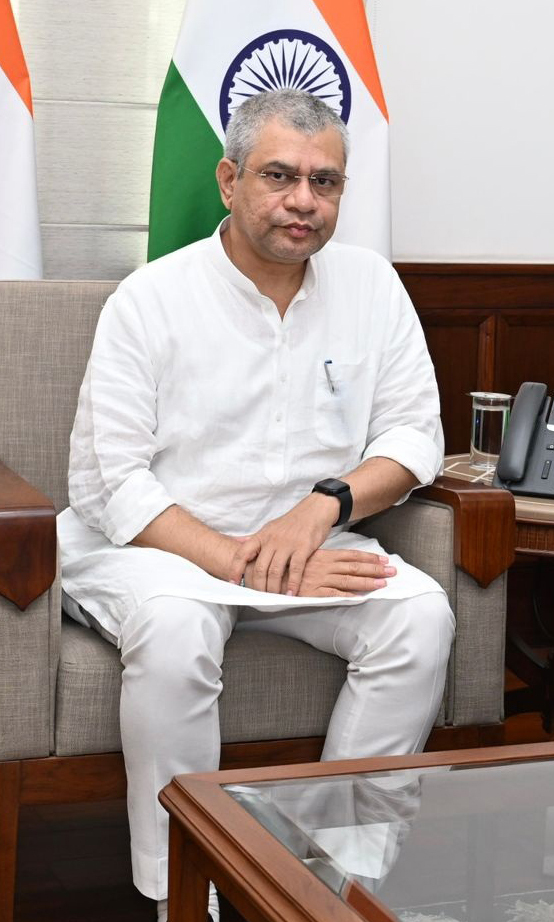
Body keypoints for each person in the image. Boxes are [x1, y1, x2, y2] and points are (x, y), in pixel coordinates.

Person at [58, 89, 454, 921]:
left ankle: (330, 882)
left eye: (325, 181)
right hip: (158, 552)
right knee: (176, 629)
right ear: (229, 180)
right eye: (279, 176)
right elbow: (109, 479)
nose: (303, 200)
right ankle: (183, 894)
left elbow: (415, 436)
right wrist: (238, 560)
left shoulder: (372, 287)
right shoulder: (151, 298)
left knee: (419, 618)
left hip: (309, 546)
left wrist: (324, 507)